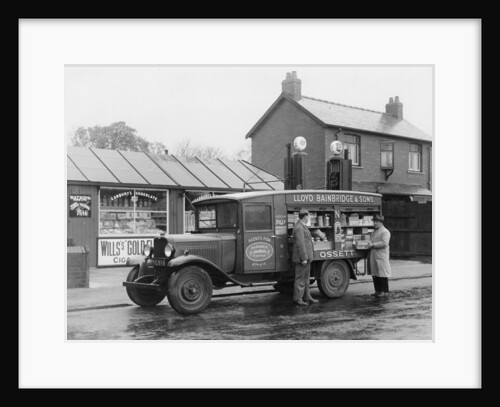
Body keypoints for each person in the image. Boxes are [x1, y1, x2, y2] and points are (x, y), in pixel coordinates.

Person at [292, 209, 319, 306]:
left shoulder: (301, 226)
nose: (309, 218)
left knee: (306, 278)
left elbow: (306, 242)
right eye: (308, 216)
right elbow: (301, 244)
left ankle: (307, 296)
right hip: (302, 259)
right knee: (300, 279)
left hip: (307, 258)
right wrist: (303, 258)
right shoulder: (299, 227)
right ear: (305, 217)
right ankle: (298, 299)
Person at [367, 214, 392, 298]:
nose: (375, 223)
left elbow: (385, 243)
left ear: (381, 222)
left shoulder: (385, 231)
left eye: (376, 222)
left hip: (381, 256)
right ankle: (378, 291)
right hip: (374, 255)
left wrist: (373, 245)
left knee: (382, 274)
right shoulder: (374, 231)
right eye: (374, 222)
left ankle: (385, 291)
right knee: (375, 274)